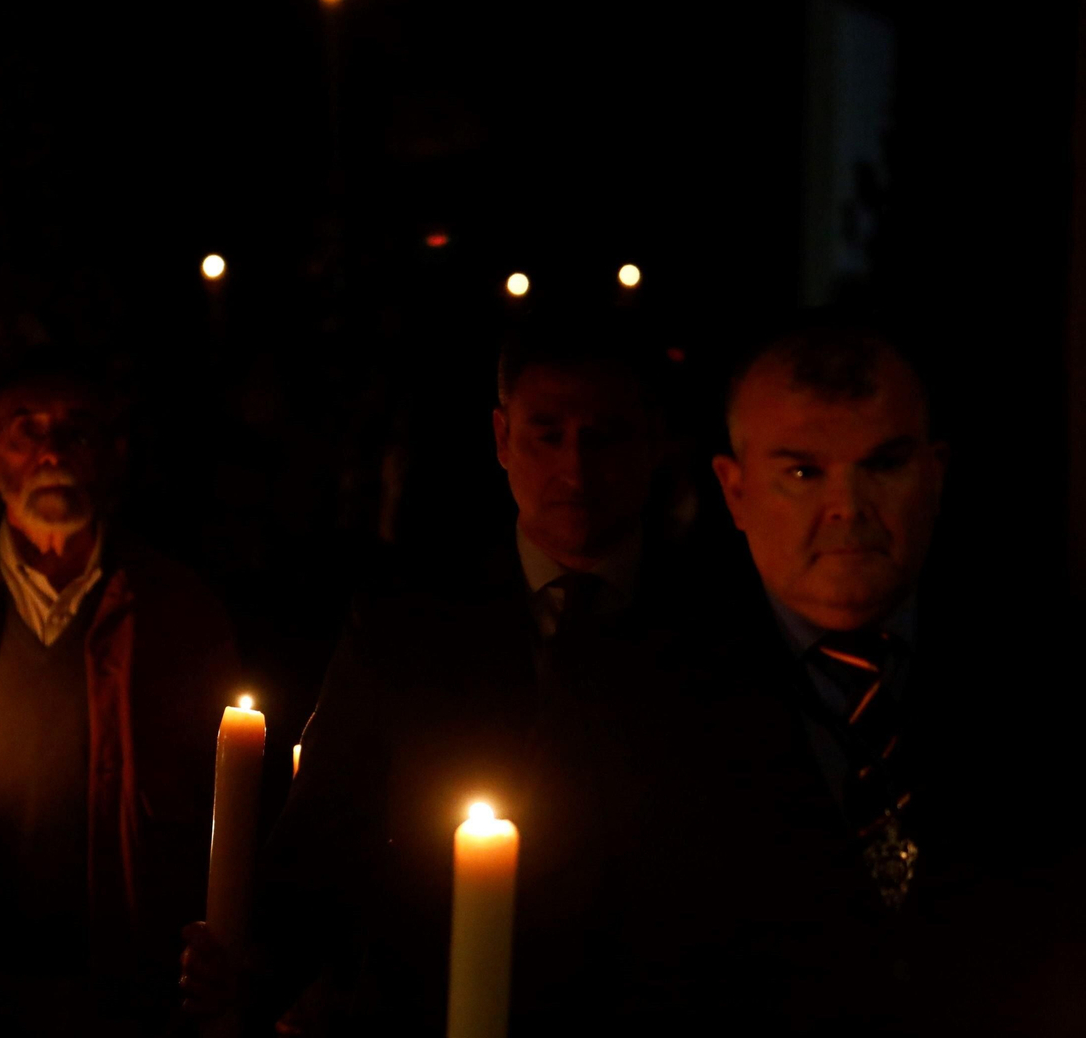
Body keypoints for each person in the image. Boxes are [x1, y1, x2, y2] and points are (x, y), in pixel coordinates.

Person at [642, 311, 1086, 1033]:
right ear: (735, 490)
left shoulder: (1083, 673)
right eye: (803, 471)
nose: (847, 508)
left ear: (936, 472)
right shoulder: (640, 690)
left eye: (883, 463)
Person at [180, 317, 706, 1034]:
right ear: (501, 438)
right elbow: (327, 831)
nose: (575, 470)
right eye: (546, 434)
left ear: (654, 442)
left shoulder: (714, 624)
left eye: (605, 436)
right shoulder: (409, 621)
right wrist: (255, 968)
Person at [0, 348, 241, 1034]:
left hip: (127, 1006)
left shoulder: (184, 616)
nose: (52, 450)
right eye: (26, 428)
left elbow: (229, 812)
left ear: (115, 452)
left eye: (77, 429)